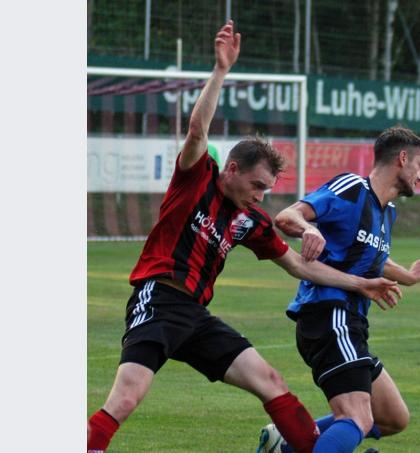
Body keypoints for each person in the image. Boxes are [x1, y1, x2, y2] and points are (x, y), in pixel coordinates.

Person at [86, 21, 401, 453]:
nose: (260, 195)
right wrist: (221, 71)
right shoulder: (196, 179)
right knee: (125, 399)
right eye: (256, 186)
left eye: (266, 190)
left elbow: (299, 266)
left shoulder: (250, 220)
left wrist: (361, 283)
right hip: (158, 301)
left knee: (270, 381)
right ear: (231, 169)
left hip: (196, 317)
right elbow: (197, 131)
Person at [259, 126, 420, 453]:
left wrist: (408, 276)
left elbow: (371, 256)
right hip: (329, 314)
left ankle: (285, 445)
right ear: (402, 158)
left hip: (352, 322)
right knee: (357, 416)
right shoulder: (353, 189)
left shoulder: (387, 213)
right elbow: (287, 216)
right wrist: (309, 229)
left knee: (392, 417)